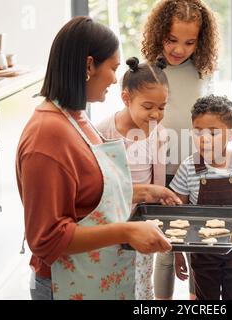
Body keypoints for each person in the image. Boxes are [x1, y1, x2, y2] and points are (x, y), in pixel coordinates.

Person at [16, 16, 181, 300]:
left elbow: (90, 196)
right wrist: (127, 231)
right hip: (65, 283)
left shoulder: (75, 118)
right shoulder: (48, 135)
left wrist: (143, 191)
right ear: (89, 66)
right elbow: (47, 238)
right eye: (113, 68)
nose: (116, 78)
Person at [141, 0, 219, 300]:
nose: (179, 49)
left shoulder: (202, 70)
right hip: (161, 170)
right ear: (159, 32)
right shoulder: (147, 70)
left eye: (189, 42)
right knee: (165, 244)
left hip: (197, 168)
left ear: (200, 41)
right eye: (171, 39)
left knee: (196, 240)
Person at [171, 95, 232, 300]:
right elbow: (177, 212)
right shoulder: (189, 167)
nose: (204, 139)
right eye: (197, 132)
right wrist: (177, 252)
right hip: (202, 253)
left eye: (214, 133)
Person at [97, 56, 170, 300]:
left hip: (142, 222)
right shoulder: (103, 131)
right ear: (126, 99)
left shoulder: (158, 135)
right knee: (114, 279)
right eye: (148, 107)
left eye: (162, 107)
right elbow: (99, 180)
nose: (156, 115)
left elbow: (157, 184)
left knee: (142, 282)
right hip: (111, 222)